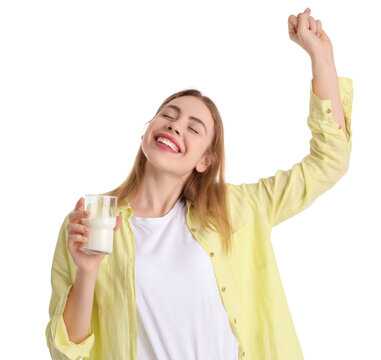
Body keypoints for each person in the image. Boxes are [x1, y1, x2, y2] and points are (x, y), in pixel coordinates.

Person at [45, 7, 353, 360]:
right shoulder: (93, 223)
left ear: (205, 161)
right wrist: (86, 272)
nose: (175, 126)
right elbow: (65, 353)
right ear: (147, 131)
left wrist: (322, 57)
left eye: (193, 128)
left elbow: (329, 161)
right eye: (168, 115)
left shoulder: (239, 209)